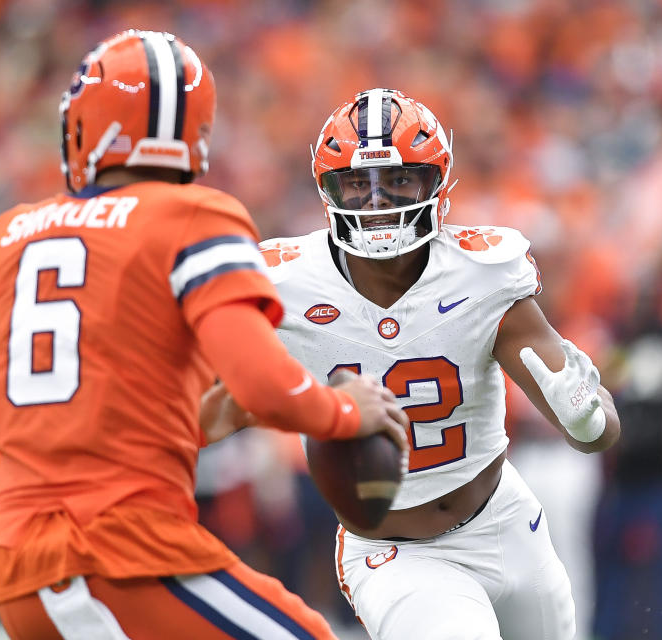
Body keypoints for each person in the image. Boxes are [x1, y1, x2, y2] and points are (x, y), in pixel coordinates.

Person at [0, 32, 408, 640]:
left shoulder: (7, 237)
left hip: (19, 567)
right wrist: (345, 411)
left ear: (88, 125)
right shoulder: (193, 216)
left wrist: (201, 422)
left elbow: (60, 420)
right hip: (126, 554)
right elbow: (263, 382)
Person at [258, 88, 621, 640]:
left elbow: (599, 433)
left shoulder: (484, 274)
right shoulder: (284, 284)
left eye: (398, 180)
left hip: (503, 522)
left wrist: (587, 421)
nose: (378, 201)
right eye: (358, 183)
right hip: (392, 550)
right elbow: (201, 393)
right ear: (329, 189)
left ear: (435, 181)